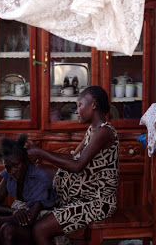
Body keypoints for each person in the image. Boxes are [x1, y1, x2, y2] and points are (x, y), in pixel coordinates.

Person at [26, 86, 119, 245]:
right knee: (38, 171)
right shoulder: (93, 130)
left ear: (94, 104)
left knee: (40, 229)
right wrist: (39, 154)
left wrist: (41, 153)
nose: (76, 111)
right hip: (82, 195)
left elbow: (77, 166)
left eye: (80, 105)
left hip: (97, 203)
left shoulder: (104, 132)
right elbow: (73, 157)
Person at [0, 134, 57, 245]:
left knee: (7, 229)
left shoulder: (39, 177)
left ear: (25, 160)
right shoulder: (9, 175)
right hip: (19, 223)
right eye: (7, 166)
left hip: (39, 227)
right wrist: (14, 211)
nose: (12, 170)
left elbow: (29, 219)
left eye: (16, 164)